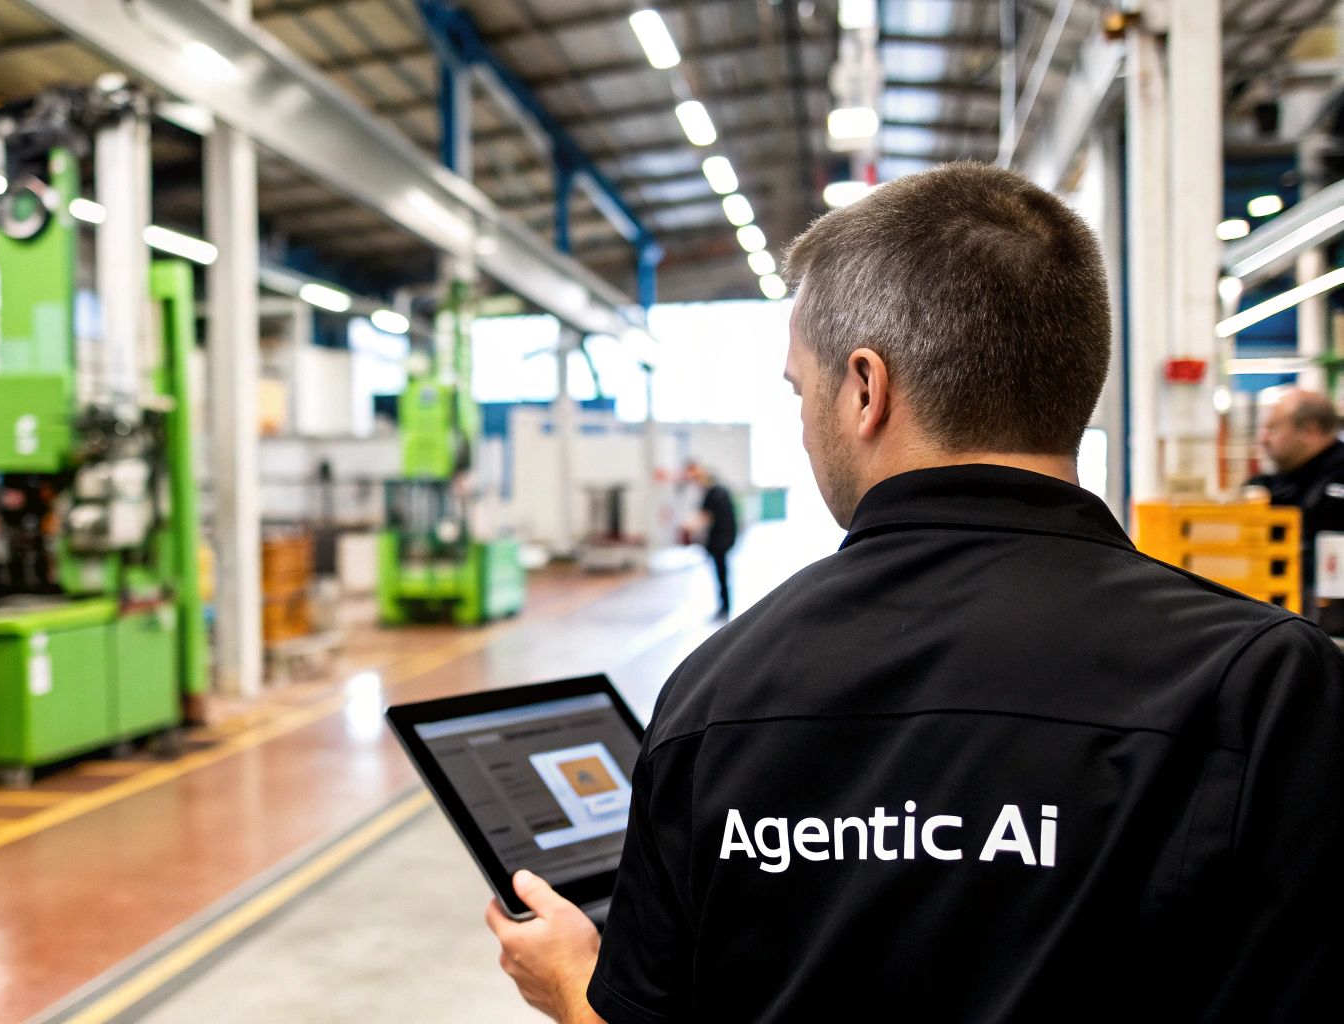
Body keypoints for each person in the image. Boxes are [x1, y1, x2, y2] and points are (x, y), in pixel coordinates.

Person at [486, 164, 1344, 1021]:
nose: (801, 421)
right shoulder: (1269, 684)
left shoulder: (717, 692)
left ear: (866, 389)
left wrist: (568, 984)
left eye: (800, 389)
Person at [1246, 388, 1344, 629]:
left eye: (1273, 428)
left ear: (1310, 431)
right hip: (1286, 618)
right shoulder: (1282, 481)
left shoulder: (1335, 480)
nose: (1264, 439)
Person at [684, 461, 738, 619]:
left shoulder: (712, 494)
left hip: (719, 540)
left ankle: (724, 607)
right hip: (725, 538)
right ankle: (724, 605)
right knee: (722, 573)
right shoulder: (721, 492)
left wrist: (689, 528)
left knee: (721, 574)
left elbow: (705, 517)